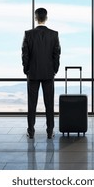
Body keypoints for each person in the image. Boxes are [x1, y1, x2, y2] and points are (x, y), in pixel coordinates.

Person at [22, 8, 61, 139]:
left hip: (32, 73)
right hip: (48, 73)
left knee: (31, 104)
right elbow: (57, 54)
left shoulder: (28, 34)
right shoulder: (54, 34)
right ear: (46, 18)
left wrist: (26, 70)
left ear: (35, 18)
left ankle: (31, 131)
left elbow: (24, 55)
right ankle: (50, 131)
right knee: (49, 103)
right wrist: (54, 69)